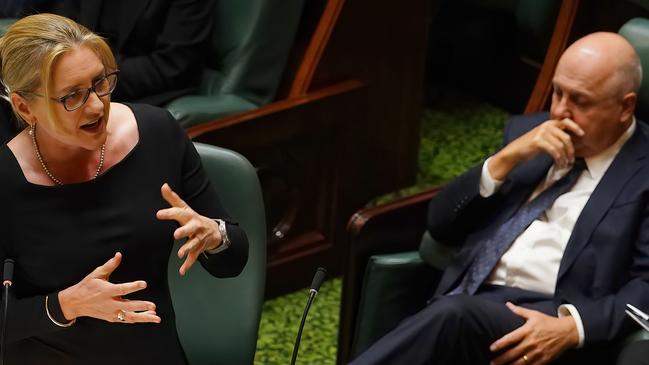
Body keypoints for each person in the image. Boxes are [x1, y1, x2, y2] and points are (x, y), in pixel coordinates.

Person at [351, 32, 649, 364]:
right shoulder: (529, 138)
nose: (560, 112)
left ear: (625, 107)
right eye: (557, 92)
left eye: (579, 101)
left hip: (548, 317)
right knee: (450, 315)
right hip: (469, 300)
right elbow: (440, 225)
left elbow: (646, 284)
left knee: (452, 316)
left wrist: (572, 328)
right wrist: (504, 160)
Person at [0, 13, 248, 364]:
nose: (98, 106)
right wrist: (64, 305)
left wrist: (215, 235)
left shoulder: (158, 133)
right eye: (73, 96)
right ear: (25, 107)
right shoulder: (5, 181)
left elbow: (233, 260)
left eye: (100, 83)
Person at [59, 0, 213, 106]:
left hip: (143, 93)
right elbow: (61, 27)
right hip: (77, 83)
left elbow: (174, 66)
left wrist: (88, 76)